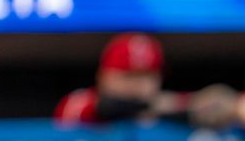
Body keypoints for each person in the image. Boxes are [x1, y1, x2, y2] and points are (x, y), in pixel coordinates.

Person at [55, 33, 245, 129]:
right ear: (103, 75)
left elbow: (207, 103)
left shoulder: (166, 103)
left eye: (147, 76)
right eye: (128, 75)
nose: (138, 85)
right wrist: (164, 108)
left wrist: (235, 106)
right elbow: (110, 108)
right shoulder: (79, 103)